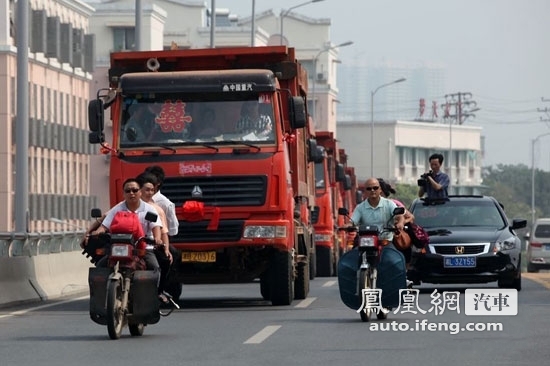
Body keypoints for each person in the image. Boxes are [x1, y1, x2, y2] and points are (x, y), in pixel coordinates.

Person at [83, 178, 165, 297]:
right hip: (119, 248)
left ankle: (155, 294)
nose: (131, 193)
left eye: (135, 190)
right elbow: (105, 225)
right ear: (124, 193)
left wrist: (157, 239)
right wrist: (97, 232)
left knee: (155, 267)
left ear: (140, 192)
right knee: (100, 266)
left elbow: (156, 227)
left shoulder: (149, 209)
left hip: (142, 247)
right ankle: (100, 296)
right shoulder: (117, 209)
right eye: (128, 191)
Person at [137, 172, 174, 304]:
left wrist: (165, 248)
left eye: (152, 190)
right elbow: (107, 218)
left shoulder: (155, 210)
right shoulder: (125, 206)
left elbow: (161, 231)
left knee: (164, 261)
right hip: (125, 244)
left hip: (148, 245)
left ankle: (158, 290)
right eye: (146, 189)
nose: (150, 193)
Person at [350, 177, 405, 242]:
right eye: (369, 189)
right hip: (365, 242)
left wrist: (400, 223)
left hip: (386, 242)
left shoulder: (389, 204)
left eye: (375, 188)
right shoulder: (360, 207)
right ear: (365, 191)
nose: (372, 190)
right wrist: (348, 226)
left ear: (380, 190)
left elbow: (400, 216)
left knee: (392, 252)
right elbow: (352, 222)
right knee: (351, 252)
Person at [143, 165, 179, 237]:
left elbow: (172, 231)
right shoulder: (137, 200)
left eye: (151, 181)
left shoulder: (166, 204)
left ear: (158, 182)